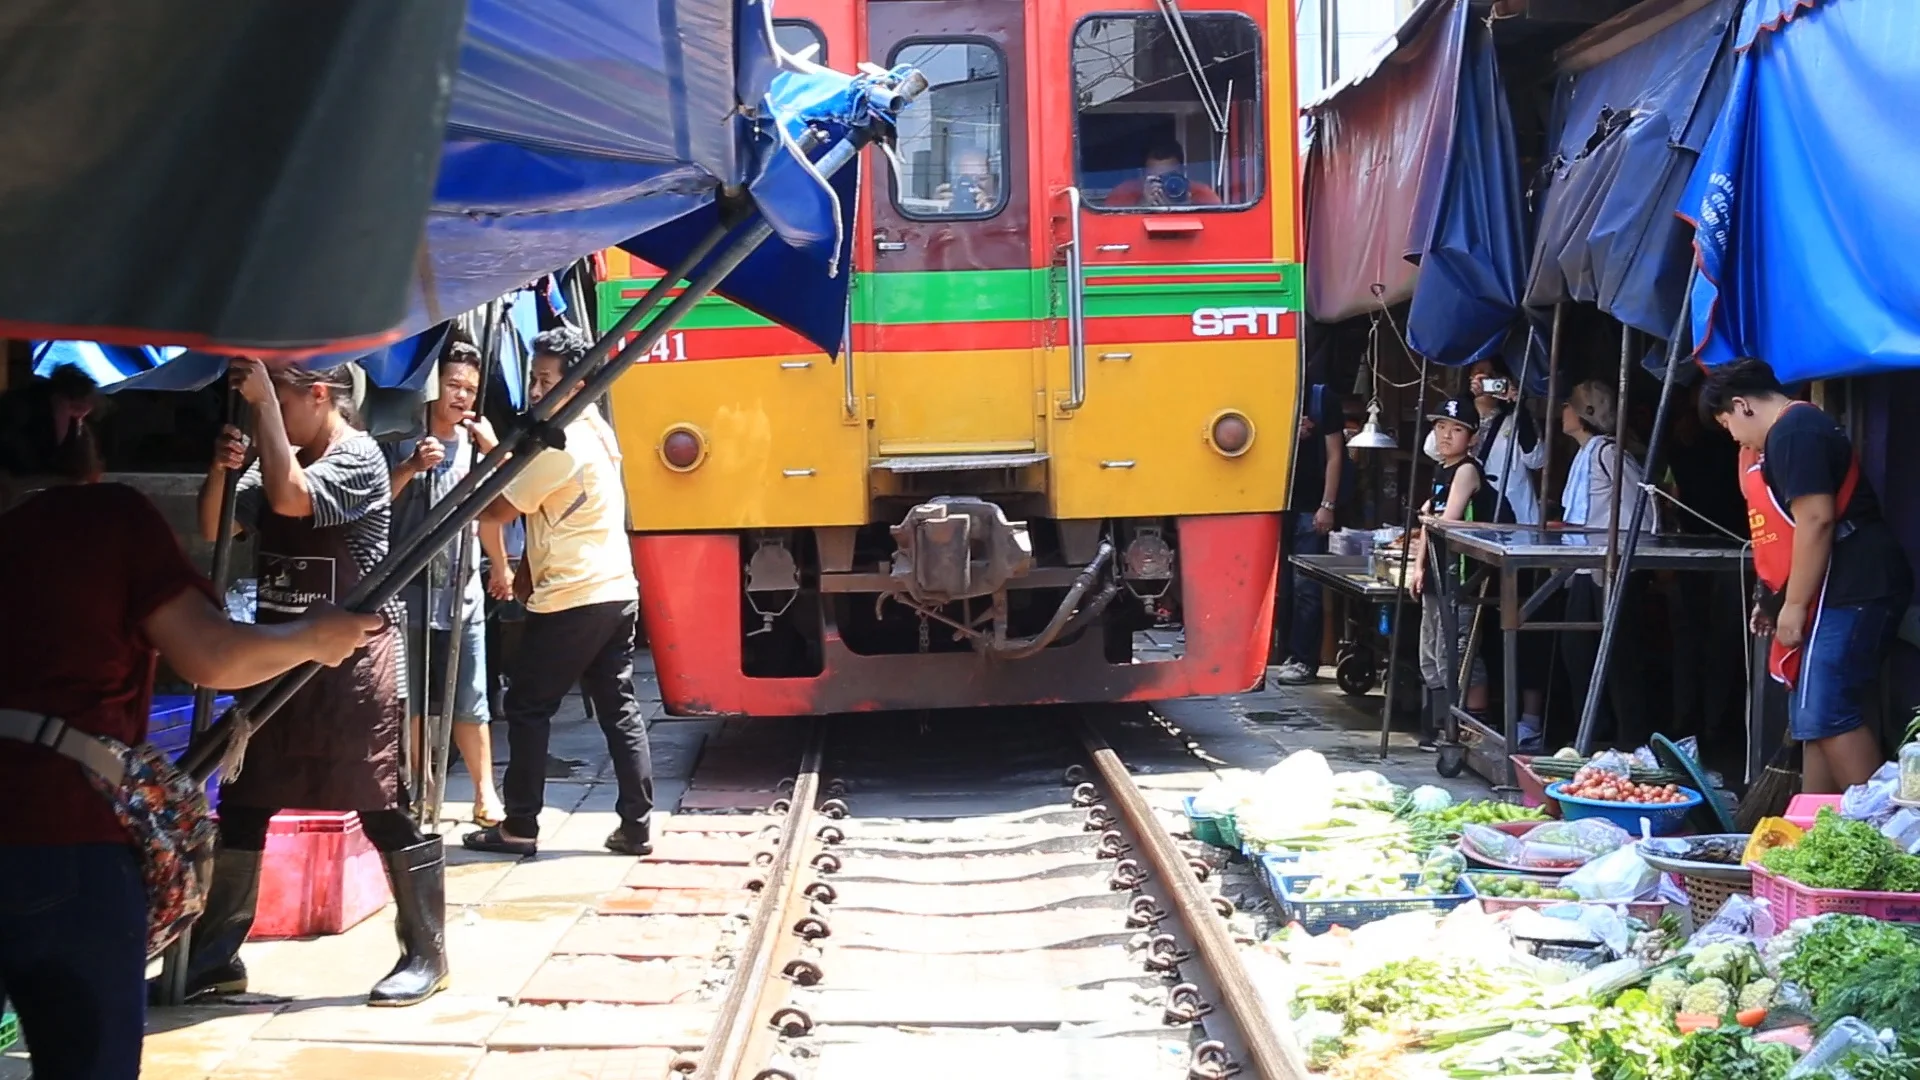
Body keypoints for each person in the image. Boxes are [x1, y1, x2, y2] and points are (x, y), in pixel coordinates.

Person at [0, 374, 378, 1079]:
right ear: (85, 445)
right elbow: (210, 654)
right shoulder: (105, 518)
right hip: (62, 838)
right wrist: (310, 637)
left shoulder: (356, 459)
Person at [189, 359, 450, 1008]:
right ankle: (216, 958)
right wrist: (222, 471)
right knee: (245, 806)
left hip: (348, 665)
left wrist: (266, 421)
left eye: (276, 401)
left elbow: (290, 499)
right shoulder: (277, 450)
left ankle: (426, 951)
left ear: (317, 395)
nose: (264, 415)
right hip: (275, 652)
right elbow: (219, 524)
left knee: (380, 805)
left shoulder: (356, 456)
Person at [464, 327, 655, 858]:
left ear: (577, 381)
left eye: (546, 380)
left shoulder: (562, 438)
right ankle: (636, 826)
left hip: (575, 594)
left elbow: (501, 510)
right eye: (534, 378)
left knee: (528, 706)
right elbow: (540, 503)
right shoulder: (595, 429)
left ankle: (520, 825)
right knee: (618, 706)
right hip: (616, 587)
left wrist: (489, 454)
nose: (535, 390)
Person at [1702, 358, 1913, 793]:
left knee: (1828, 712)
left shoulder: (1794, 432)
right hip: (1842, 583)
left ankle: (1886, 835)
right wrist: (1775, 599)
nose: (1735, 439)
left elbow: (1816, 520)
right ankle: (1812, 827)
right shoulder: (1793, 432)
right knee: (1812, 719)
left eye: (1728, 425)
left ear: (1742, 405)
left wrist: (1795, 606)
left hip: (1856, 583)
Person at [385, 341, 504, 826]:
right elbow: (375, 507)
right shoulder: (401, 438)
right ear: (434, 387)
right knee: (409, 697)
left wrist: (495, 453)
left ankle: (484, 792)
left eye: (469, 389)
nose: (461, 396)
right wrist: (412, 467)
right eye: (453, 385)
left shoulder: (476, 446)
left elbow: (501, 509)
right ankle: (417, 785)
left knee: (469, 696)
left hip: (463, 591)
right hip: (408, 591)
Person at [1556, 379, 1652, 748]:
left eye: (1568, 405)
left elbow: (1641, 512)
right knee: (1577, 654)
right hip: (1585, 565)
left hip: (1608, 566)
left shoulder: (1609, 453)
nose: (1562, 411)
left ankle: (1630, 743)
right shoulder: (1586, 454)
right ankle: (1592, 738)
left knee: (1618, 659)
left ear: (1583, 415)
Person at [1467, 357, 1548, 747]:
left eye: (1489, 378)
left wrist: (1520, 408)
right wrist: (1468, 408)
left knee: (1523, 624)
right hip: (1478, 532)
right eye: (1475, 377)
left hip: (1516, 533)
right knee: (1485, 627)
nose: (1481, 383)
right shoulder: (1464, 421)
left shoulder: (1515, 421)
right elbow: (1436, 448)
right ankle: (1495, 710)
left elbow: (1538, 459)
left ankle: (1530, 718)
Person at [1409, 393, 1494, 751]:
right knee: (1430, 651)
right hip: (1437, 573)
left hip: (1461, 575)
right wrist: (1418, 566)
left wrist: (1427, 518)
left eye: (1456, 429)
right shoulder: (1441, 470)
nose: (1446, 435)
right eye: (1441, 427)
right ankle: (1441, 725)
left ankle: (1470, 727)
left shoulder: (1466, 470)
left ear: (1471, 437)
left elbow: (1447, 521)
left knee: (1457, 652)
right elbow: (1429, 524)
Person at [1274, 382, 1343, 683]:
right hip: (1273, 504)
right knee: (1281, 585)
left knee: (1306, 586)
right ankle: (1280, 651)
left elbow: (1335, 455)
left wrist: (1327, 503)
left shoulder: (1319, 396)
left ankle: (1303, 658)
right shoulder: (1263, 391)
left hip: (1308, 504)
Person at [1101, 140, 1222, 208]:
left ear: (1183, 172)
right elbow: (1111, 230)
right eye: (1157, 179)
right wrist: (1143, 205)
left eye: (1170, 176)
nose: (1165, 183)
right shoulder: (1124, 192)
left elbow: (1219, 227)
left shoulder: (1199, 191)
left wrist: (1188, 207)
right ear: (1142, 175)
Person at [935, 146, 1000, 213]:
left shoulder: (1002, 207)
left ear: (994, 181)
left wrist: (990, 210)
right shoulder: (948, 202)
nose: (970, 186)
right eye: (964, 180)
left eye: (981, 178)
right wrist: (937, 207)